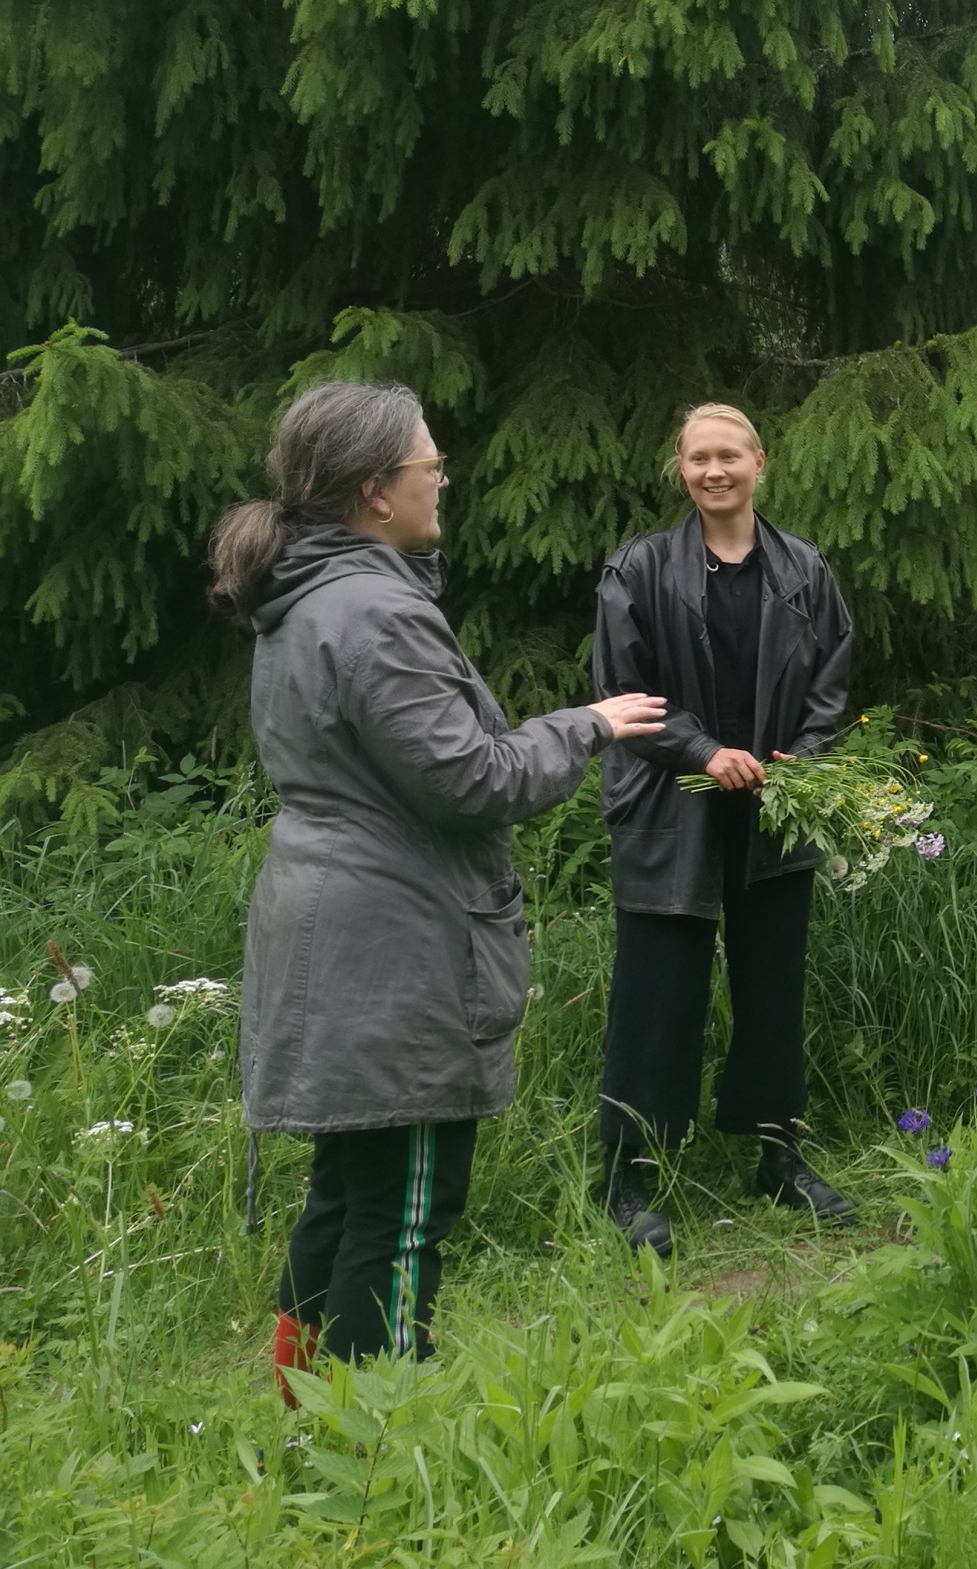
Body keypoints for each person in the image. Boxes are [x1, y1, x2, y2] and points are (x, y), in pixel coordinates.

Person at [210, 381, 664, 1397]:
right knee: (406, 1204)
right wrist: (585, 725)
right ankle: (377, 1437)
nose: (441, 477)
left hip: (338, 914)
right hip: (393, 934)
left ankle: (301, 1405)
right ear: (376, 491)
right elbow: (473, 781)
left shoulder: (309, 595)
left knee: (346, 1190)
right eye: (428, 465)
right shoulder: (372, 609)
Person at [589, 402, 856, 1256]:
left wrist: (796, 764)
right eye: (698, 458)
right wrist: (704, 752)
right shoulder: (638, 569)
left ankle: (778, 1156)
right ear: (680, 469)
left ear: (759, 462)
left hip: (776, 808)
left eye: (728, 456)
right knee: (656, 993)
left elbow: (832, 683)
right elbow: (620, 689)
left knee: (774, 987)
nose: (714, 471)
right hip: (670, 806)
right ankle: (626, 1175)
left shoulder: (805, 569)